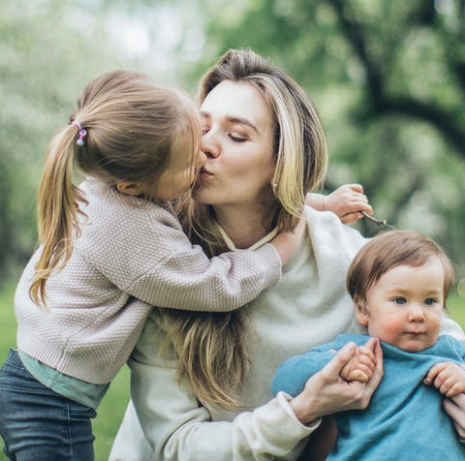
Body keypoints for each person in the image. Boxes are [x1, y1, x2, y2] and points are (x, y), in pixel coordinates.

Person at [109, 49, 465, 461]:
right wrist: (303, 410)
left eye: (236, 135)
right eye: (200, 129)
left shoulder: (344, 255)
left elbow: (462, 353)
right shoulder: (164, 261)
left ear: (283, 162)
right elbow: (179, 445)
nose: (206, 148)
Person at [0, 69, 323, 461]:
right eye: (189, 162)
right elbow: (213, 286)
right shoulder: (130, 229)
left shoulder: (121, 183)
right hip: (48, 403)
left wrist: (311, 205)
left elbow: (178, 197)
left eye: (232, 136)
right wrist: (280, 250)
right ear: (134, 187)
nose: (204, 155)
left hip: (37, 381)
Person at [272, 230, 465, 461]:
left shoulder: (451, 353)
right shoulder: (353, 352)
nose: (417, 314)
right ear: (363, 310)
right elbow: (283, 381)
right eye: (400, 300)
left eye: (430, 301)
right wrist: (335, 365)